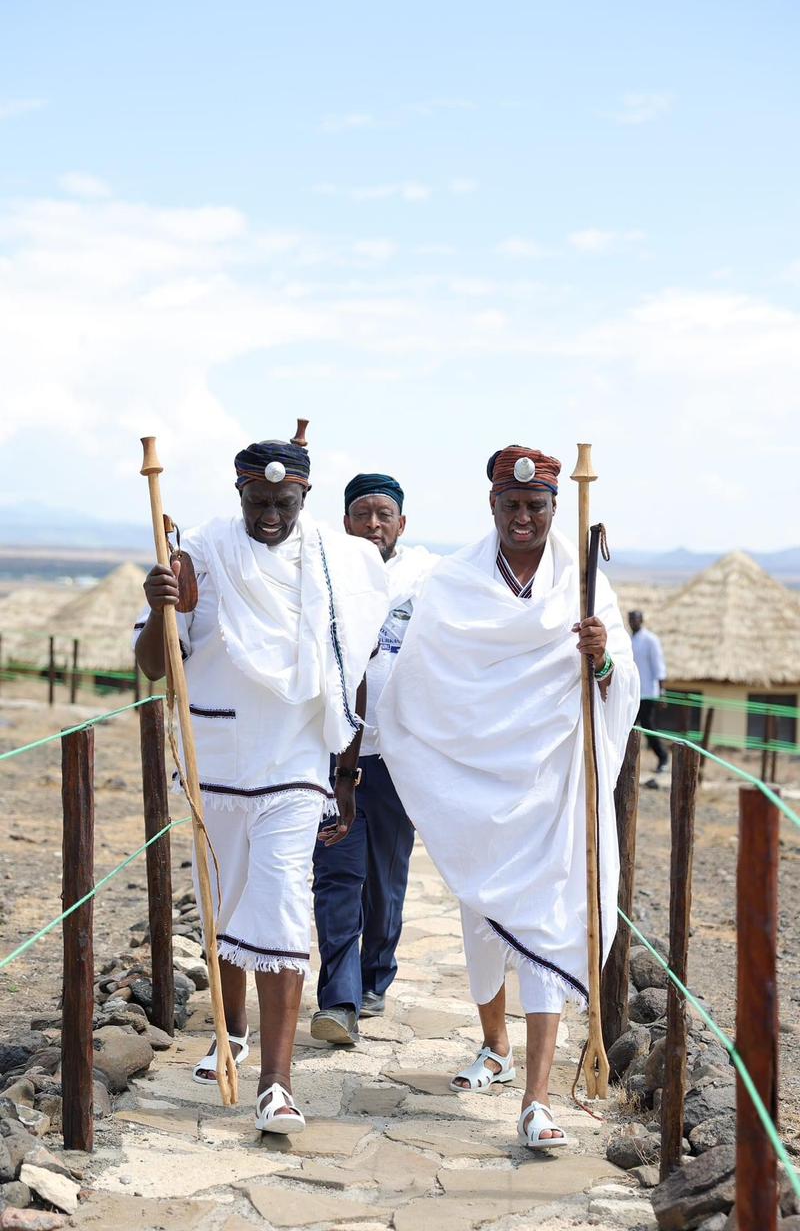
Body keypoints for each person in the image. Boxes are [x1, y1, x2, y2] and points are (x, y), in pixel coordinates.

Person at [377, 445, 639, 1150]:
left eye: (537, 506)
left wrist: (603, 658)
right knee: (484, 923)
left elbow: (624, 684)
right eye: (511, 505)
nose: (523, 517)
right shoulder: (456, 582)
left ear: (555, 509)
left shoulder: (584, 587)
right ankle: (494, 1042)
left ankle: (537, 1099)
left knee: (552, 924)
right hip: (477, 788)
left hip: (553, 786)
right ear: (491, 506)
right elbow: (421, 678)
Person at [133, 427, 387, 1134]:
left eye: (283, 501)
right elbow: (156, 666)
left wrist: (345, 772)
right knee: (227, 908)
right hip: (217, 765)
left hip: (293, 766)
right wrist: (162, 607)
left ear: (303, 494)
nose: (270, 514)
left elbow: (352, 665)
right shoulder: (200, 557)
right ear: (239, 491)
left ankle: (277, 1085)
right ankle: (231, 1033)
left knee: (279, 905)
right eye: (258, 500)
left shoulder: (337, 564)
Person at [310, 473, 438, 1044]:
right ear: (346, 523)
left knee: (385, 879)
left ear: (401, 524)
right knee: (337, 874)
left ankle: (374, 975)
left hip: (396, 756)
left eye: (384, 514)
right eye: (362, 513)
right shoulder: (324, 576)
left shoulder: (425, 583)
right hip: (332, 751)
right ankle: (337, 1000)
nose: (373, 524)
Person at [628, 610, 669, 772]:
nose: (632, 621)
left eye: (635, 619)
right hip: (632, 693)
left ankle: (663, 757)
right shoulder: (628, 640)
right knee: (628, 727)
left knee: (648, 727)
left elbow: (659, 666)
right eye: (630, 619)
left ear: (641, 620)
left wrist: (662, 692)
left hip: (648, 693)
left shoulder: (651, 640)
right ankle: (628, 763)